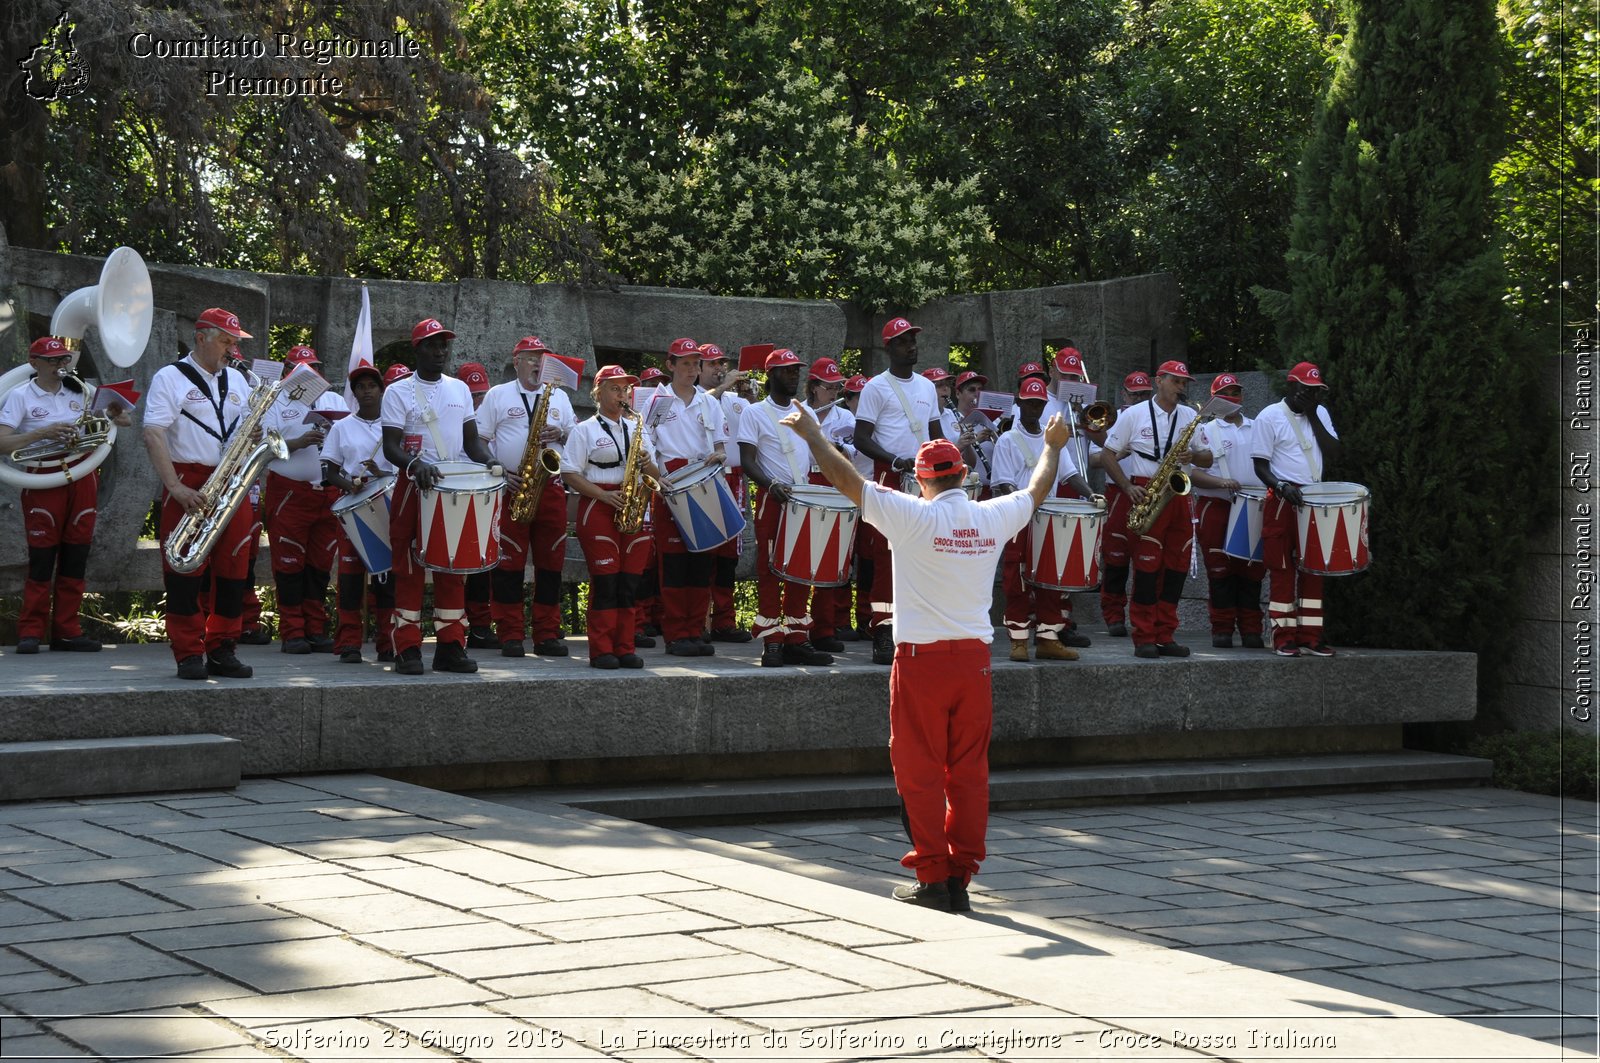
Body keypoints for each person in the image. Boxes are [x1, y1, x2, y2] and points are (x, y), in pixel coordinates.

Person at [782, 406, 1072, 912]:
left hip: (921, 661)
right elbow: (1037, 490)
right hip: (975, 663)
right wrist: (1052, 445)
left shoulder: (912, 516)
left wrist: (811, 433)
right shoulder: (991, 515)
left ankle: (934, 877)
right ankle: (961, 875)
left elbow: (846, 478)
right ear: (964, 476)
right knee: (968, 774)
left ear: (921, 482)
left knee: (918, 771)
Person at [142, 307, 260, 680]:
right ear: (201, 338)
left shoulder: (239, 381)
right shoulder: (170, 377)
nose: (232, 350)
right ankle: (188, 652)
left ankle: (223, 648)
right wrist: (175, 487)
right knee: (183, 570)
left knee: (234, 570)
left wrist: (253, 438)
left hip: (232, 481)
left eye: (235, 343)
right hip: (188, 480)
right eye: (226, 342)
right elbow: (153, 433)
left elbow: (245, 431)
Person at [380, 318, 501, 675]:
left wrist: (490, 460)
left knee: (453, 565)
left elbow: (470, 443)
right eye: (432, 345)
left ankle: (450, 647)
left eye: (443, 345)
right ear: (416, 349)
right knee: (409, 566)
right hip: (414, 486)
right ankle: (407, 650)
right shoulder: (397, 392)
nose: (439, 352)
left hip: (453, 486)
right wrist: (415, 465)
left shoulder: (460, 390)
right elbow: (390, 447)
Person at [0, 336, 131, 653]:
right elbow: (2, 442)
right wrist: (42, 433)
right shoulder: (19, 396)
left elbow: (122, 421)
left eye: (63, 360)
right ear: (34, 363)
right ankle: (31, 632)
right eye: (52, 361)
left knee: (76, 555)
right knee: (42, 557)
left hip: (82, 474)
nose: (61, 366)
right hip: (43, 475)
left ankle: (67, 631)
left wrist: (115, 412)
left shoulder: (80, 391)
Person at [476, 336, 576, 658]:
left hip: (551, 488)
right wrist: (500, 474)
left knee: (551, 564)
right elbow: (479, 441)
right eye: (530, 358)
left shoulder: (558, 397)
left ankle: (547, 633)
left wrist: (560, 433)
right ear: (516, 360)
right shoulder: (497, 395)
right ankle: (510, 634)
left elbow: (576, 438)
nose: (537, 363)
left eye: (541, 358)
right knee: (508, 565)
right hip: (512, 486)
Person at [853, 317, 945, 665]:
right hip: (891, 477)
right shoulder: (876, 387)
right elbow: (861, 438)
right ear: (888, 347)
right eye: (904, 341)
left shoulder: (925, 387)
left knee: (926, 554)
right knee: (886, 556)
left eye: (913, 340)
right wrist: (894, 461)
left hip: (927, 480)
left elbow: (936, 435)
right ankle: (882, 630)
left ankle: (919, 626)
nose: (912, 346)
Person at [991, 377, 1101, 661]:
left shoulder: (1052, 437)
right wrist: (1023, 506)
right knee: (1016, 579)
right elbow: (1003, 483)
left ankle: (1048, 637)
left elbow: (1069, 474)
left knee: (1052, 578)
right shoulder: (1007, 439)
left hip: (1048, 516)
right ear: (1019, 403)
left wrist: (1091, 495)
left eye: (1039, 404)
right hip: (1020, 515)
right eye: (1029, 403)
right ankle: (1018, 640)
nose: (1034, 408)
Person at [738, 348, 835, 668]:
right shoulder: (754, 413)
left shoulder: (803, 413)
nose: (794, 375)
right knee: (770, 570)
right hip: (773, 498)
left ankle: (796, 637)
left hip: (803, 498)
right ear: (771, 375)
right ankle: (773, 641)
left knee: (800, 569)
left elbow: (814, 458)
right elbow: (747, 461)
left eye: (797, 370)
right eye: (787, 370)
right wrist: (770, 485)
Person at [562, 365, 661, 669]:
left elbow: (656, 476)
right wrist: (602, 495)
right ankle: (602, 650)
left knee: (629, 583)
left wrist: (646, 462)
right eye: (615, 389)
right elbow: (569, 472)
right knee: (606, 582)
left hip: (632, 506)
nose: (622, 395)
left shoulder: (637, 428)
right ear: (599, 392)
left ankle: (624, 646)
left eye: (625, 389)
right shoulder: (584, 430)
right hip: (599, 504)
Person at [1099, 360, 1201, 659]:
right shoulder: (1133, 414)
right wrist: (1127, 486)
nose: (1181, 388)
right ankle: (1144, 635)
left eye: (1184, 383)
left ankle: (1165, 634)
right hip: (1147, 488)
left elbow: (1205, 458)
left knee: (1176, 567)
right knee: (1146, 568)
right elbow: (1107, 455)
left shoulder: (1190, 415)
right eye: (1176, 382)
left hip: (1178, 490)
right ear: (1159, 381)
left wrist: (1193, 454)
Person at [1252, 361, 1342, 657]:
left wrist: (1315, 415)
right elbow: (1260, 465)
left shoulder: (1320, 413)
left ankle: (1311, 636)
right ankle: (1282, 636)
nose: (1311, 395)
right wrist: (1280, 487)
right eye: (1306, 389)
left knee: (1314, 567)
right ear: (1291, 386)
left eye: (1316, 391)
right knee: (1282, 568)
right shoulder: (1270, 416)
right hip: (1283, 497)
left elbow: (1334, 452)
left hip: (1315, 496)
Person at [261, 345, 347, 654]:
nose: (306, 375)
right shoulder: (272, 400)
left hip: (327, 493)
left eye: (312, 369)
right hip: (289, 492)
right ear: (286, 371)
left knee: (320, 564)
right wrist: (298, 442)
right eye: (299, 369)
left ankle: (315, 628)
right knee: (289, 563)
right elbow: (261, 444)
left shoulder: (334, 399)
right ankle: (293, 631)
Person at [650, 337, 730, 657]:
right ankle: (675, 633)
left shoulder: (709, 401)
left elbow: (721, 445)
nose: (692, 369)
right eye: (685, 364)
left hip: (703, 481)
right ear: (670, 365)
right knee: (673, 564)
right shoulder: (658, 400)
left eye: (696, 364)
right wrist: (657, 478)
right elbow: (643, 445)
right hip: (671, 483)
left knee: (701, 563)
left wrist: (719, 456)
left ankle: (696, 629)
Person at [321, 362, 401, 664]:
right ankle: (349, 643)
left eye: (371, 386)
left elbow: (403, 465)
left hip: (388, 505)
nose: (366, 391)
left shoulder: (394, 427)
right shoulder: (342, 427)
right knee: (351, 580)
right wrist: (348, 484)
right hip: (353, 506)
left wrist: (382, 473)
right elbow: (328, 469)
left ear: (382, 390)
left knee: (386, 578)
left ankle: (387, 643)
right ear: (354, 393)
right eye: (360, 387)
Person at [1188, 373, 1267, 648]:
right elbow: (1191, 473)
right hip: (1217, 504)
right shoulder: (1204, 430)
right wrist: (1222, 482)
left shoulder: (1258, 427)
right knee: (1219, 571)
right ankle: (1221, 629)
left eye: (1235, 392)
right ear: (1213, 400)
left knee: (1251, 571)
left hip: (1253, 505)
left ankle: (1251, 629)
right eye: (1225, 393)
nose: (1231, 397)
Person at [697, 344, 751, 643]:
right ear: (700, 368)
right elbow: (702, 404)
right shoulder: (696, 397)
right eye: (713, 365)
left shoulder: (733, 397)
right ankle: (700, 620)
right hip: (706, 479)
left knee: (729, 557)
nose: (719, 369)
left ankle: (724, 620)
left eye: (722, 364)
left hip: (734, 480)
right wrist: (727, 384)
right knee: (706, 552)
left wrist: (750, 397)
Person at [801, 356, 851, 652]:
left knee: (830, 561)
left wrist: (840, 447)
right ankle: (795, 626)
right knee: (803, 559)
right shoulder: (801, 413)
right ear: (814, 387)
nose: (833, 393)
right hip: (808, 485)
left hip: (835, 486)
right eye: (828, 387)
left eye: (837, 387)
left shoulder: (845, 417)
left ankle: (824, 629)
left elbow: (858, 450)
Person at [1099, 370, 1154, 637]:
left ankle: (1144, 618)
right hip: (1119, 492)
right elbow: (1094, 459)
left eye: (1145, 394)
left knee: (1148, 558)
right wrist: (1122, 452)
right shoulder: (1113, 419)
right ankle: (1113, 615)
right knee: (1116, 557)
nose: (1141, 398)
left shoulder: (1160, 419)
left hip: (1150, 493)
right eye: (1135, 394)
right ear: (1125, 394)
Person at [453, 361, 498, 649]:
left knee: (484, 564)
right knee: (456, 564)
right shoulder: (455, 418)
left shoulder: (493, 413)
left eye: (483, 394)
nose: (479, 401)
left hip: (487, 495)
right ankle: (456, 624)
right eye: (474, 396)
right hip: (459, 495)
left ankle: (481, 626)